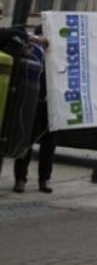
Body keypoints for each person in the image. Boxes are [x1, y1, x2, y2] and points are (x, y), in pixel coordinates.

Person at [12, 25, 53, 193]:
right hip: (33, 101)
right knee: (26, 141)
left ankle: (45, 178)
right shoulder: (32, 49)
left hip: (52, 104)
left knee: (49, 144)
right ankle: (20, 178)